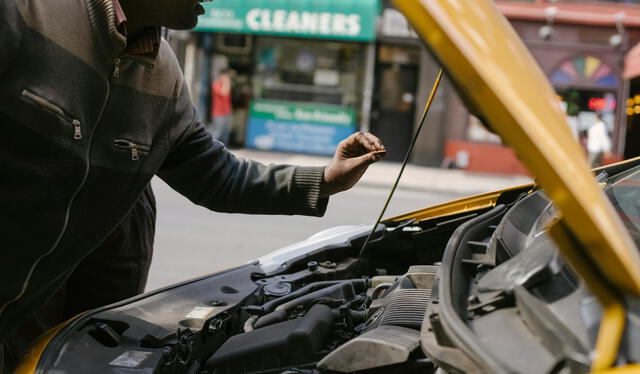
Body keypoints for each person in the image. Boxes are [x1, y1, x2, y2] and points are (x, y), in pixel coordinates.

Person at [0, 0, 385, 372]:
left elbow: (218, 176)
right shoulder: (25, 11)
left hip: (18, 325)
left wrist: (324, 179)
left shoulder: (164, 76)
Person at [210, 68, 234, 145]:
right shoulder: (216, 84)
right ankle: (210, 149)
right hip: (218, 113)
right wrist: (227, 83)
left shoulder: (225, 85)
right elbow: (224, 93)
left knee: (225, 135)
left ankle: (223, 153)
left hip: (226, 113)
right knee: (217, 133)